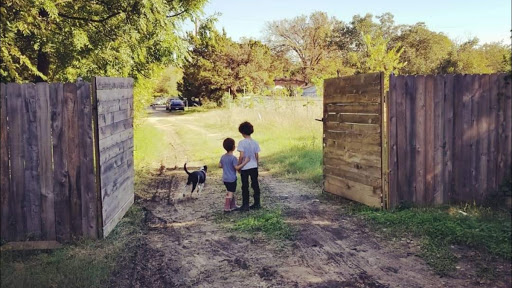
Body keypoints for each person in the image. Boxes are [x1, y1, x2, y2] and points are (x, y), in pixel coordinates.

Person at [219, 138, 249, 212]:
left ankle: (233, 205)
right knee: (230, 192)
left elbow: (219, 165)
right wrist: (245, 162)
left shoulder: (223, 157)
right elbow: (237, 167)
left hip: (225, 178)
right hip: (231, 178)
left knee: (230, 191)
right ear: (233, 147)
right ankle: (227, 208)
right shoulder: (233, 158)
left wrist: (226, 165)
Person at [237, 121, 261, 211]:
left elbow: (241, 156)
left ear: (242, 132)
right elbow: (256, 155)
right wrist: (257, 164)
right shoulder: (255, 142)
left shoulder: (242, 143)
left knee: (245, 185)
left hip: (245, 167)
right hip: (254, 166)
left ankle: (245, 204)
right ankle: (257, 203)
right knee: (255, 184)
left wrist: (239, 165)